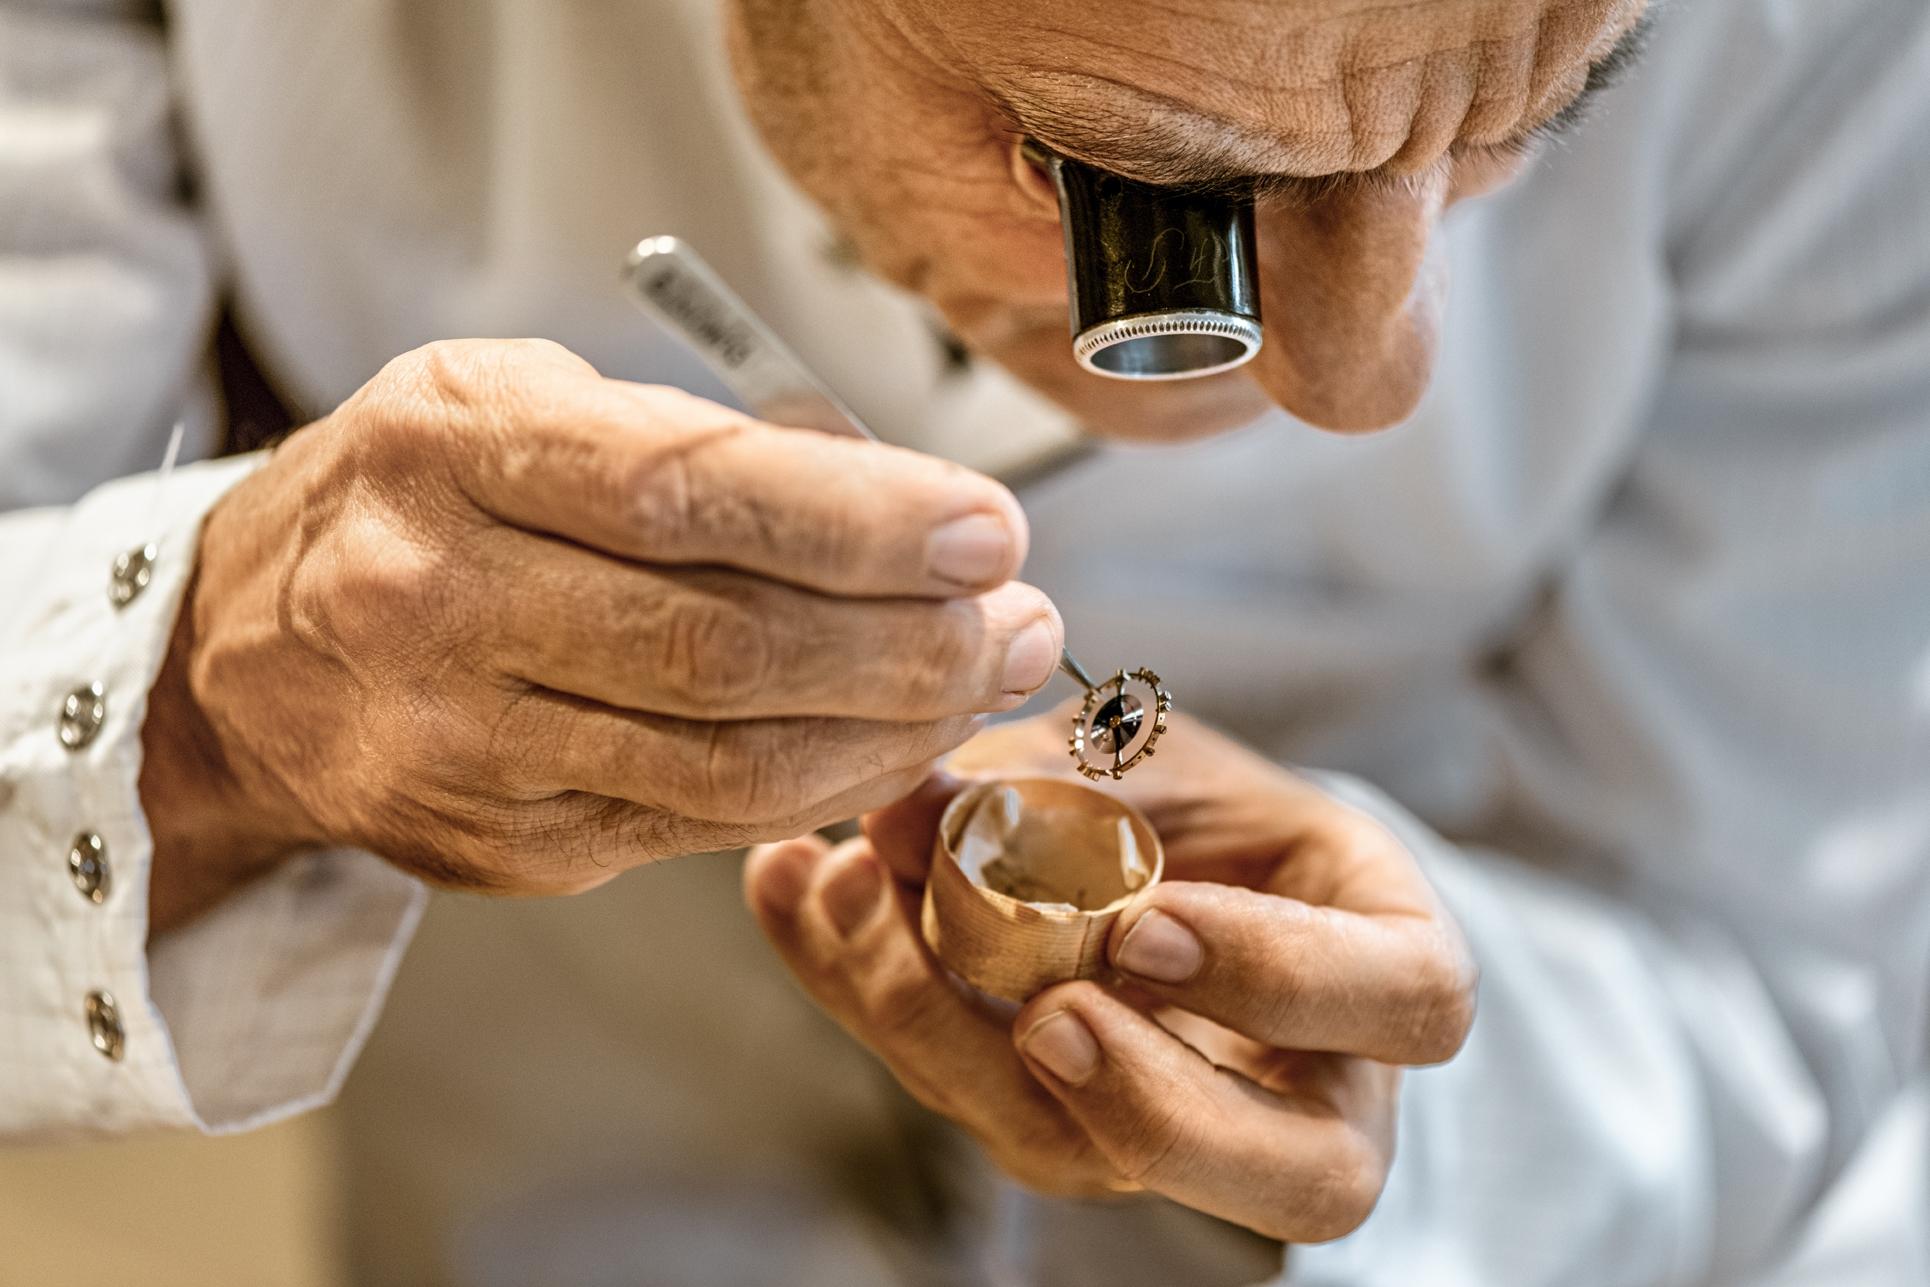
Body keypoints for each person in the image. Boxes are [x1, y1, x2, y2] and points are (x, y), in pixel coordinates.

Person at [1, 0, 1925, 1283]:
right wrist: (210, 696)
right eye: (1156, 193)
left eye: (1534, 125)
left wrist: (1414, 1049)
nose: (1366, 377)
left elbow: (1792, 970)